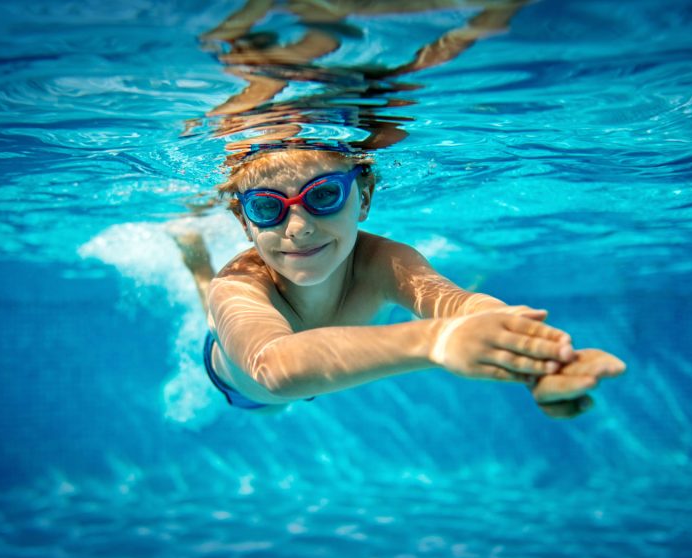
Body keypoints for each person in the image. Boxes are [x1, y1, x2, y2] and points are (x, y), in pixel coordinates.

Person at [174, 145, 626, 419]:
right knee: (216, 308)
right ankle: (197, 264)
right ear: (244, 222)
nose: (298, 227)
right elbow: (274, 368)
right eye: (268, 207)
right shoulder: (239, 286)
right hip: (244, 386)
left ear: (364, 196)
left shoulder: (385, 262)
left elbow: (458, 305)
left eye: (324, 195)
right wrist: (438, 342)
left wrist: (539, 359)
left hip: (315, 376)